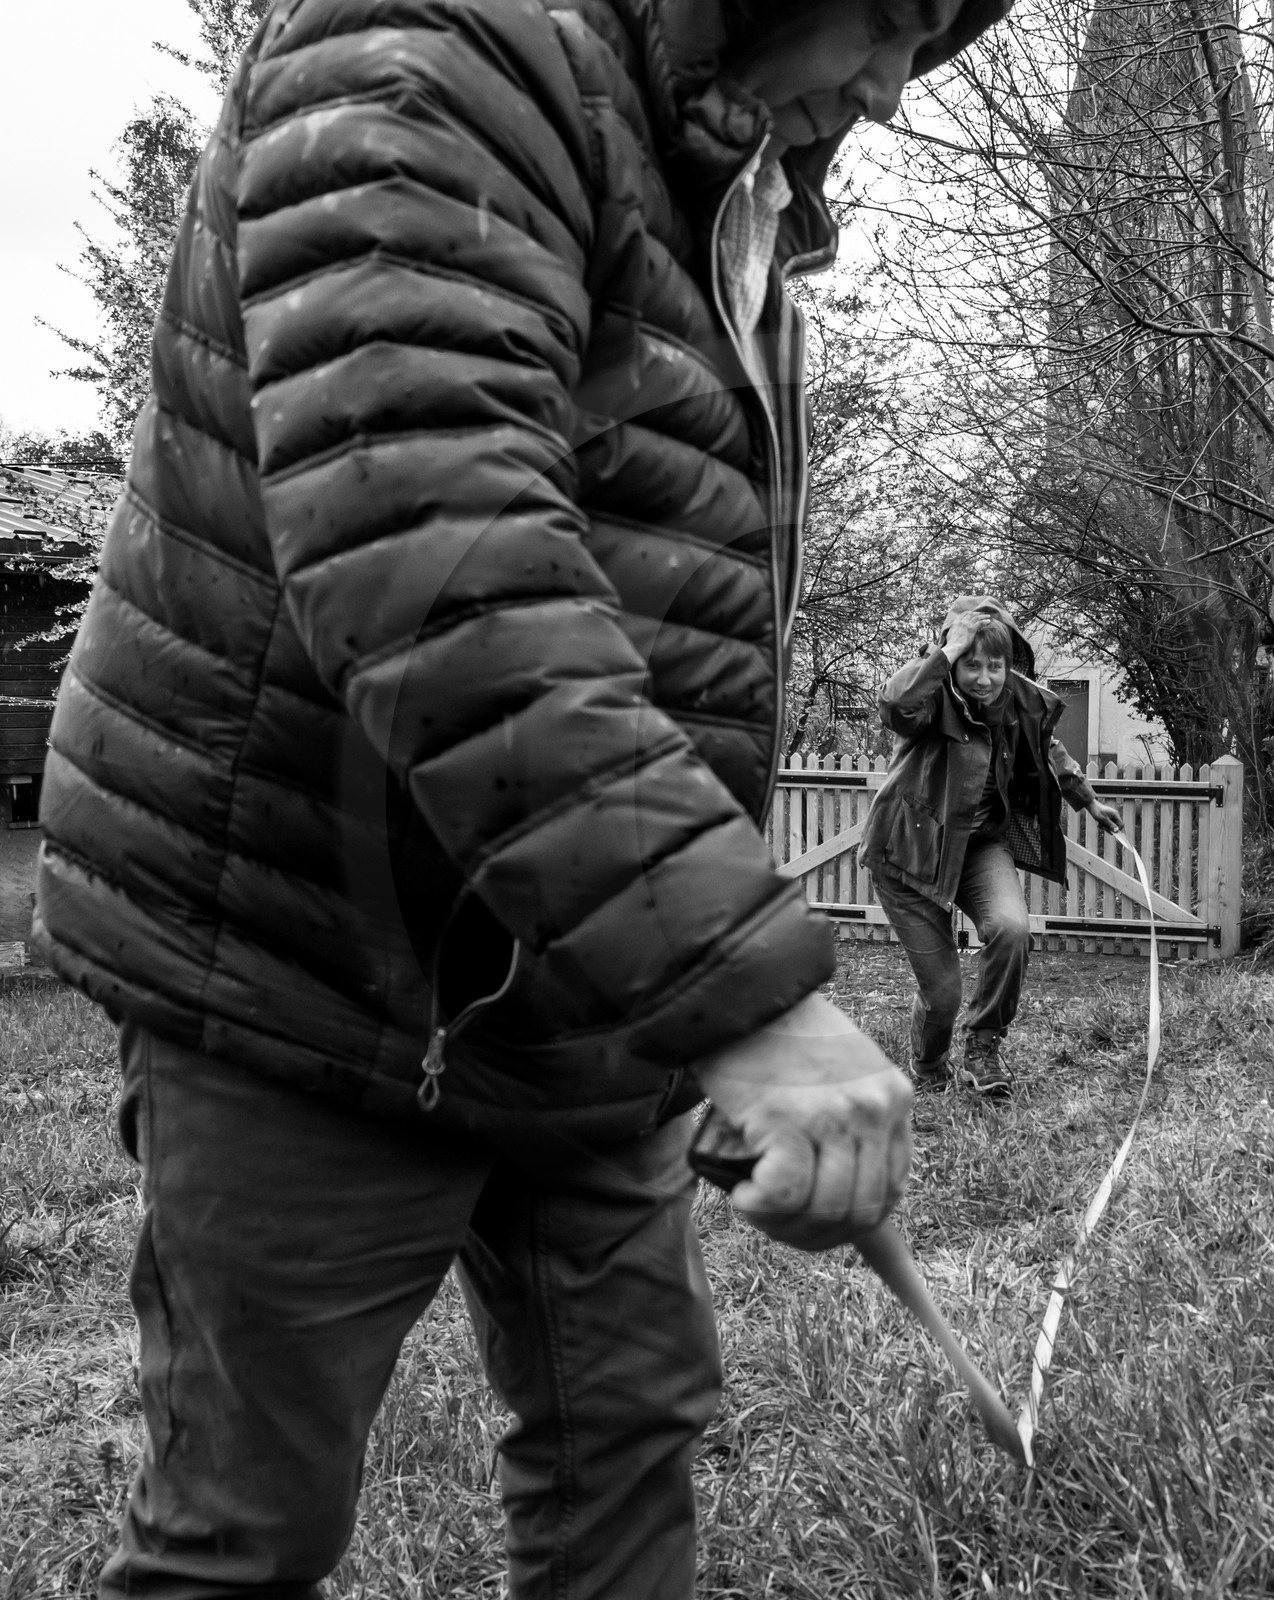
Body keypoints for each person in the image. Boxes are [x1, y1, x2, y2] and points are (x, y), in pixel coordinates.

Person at [30, 2, 1011, 1594]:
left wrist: (668, 973)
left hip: (579, 985)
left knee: (629, 1431)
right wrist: (738, 991)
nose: (900, 85)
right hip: (303, 954)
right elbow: (436, 547)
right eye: (893, 10)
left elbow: (652, 604)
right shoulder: (434, 41)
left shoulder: (714, 183)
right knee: (250, 1527)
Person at [860, 596, 1122, 1098]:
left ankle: (983, 1046)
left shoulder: (1018, 705)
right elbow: (894, 705)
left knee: (1011, 929)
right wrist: (945, 651)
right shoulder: (930, 700)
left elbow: (1048, 747)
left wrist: (1088, 800)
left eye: (995, 666)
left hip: (979, 847)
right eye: (971, 664)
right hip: (910, 852)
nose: (984, 678)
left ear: (1009, 663)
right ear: (954, 661)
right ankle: (928, 1065)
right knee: (943, 993)